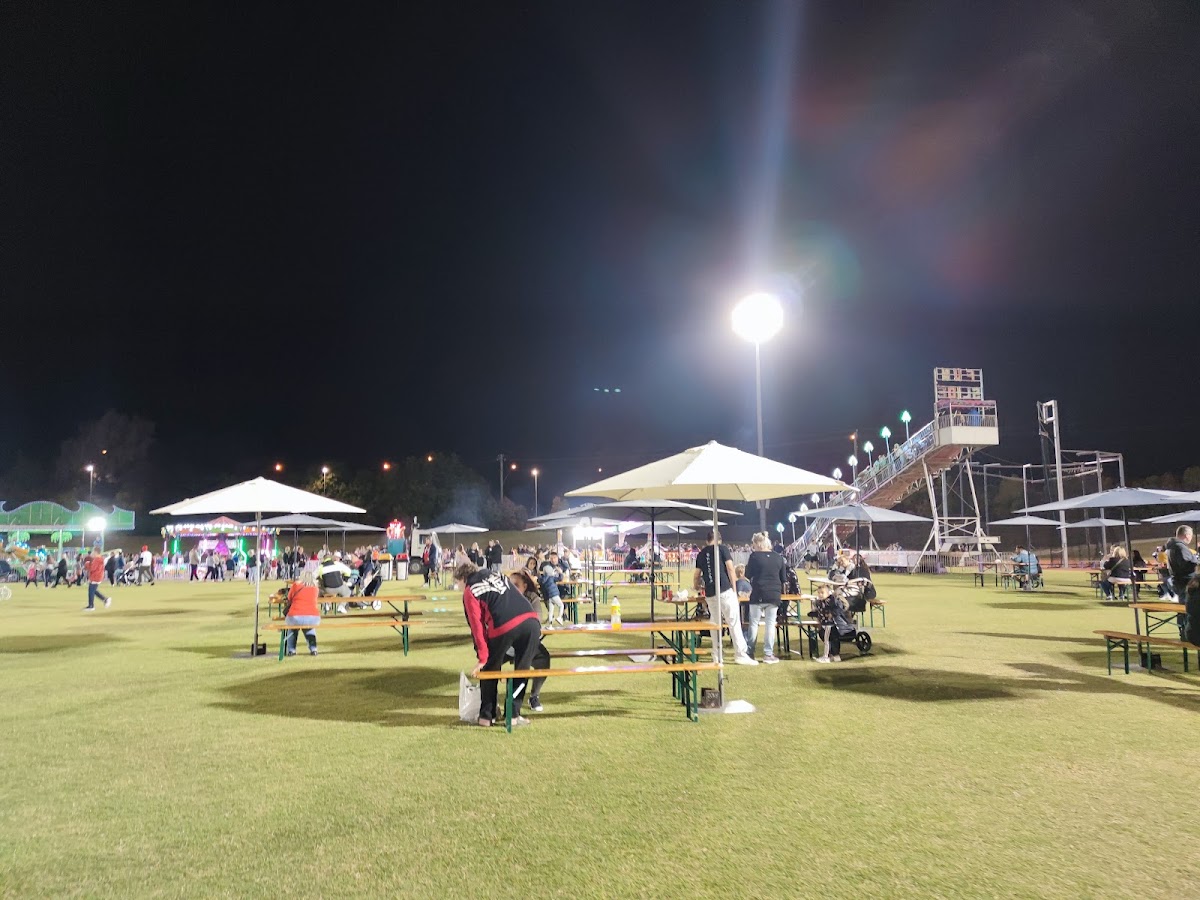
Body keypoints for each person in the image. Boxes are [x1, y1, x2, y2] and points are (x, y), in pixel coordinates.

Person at [455, 561, 541, 727]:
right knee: (522, 669)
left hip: (504, 625)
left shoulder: (470, 590)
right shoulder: (497, 574)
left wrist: (482, 658)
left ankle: (487, 717)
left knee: (490, 669)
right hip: (531, 620)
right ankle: (514, 715)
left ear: (462, 579)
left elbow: (477, 626)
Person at [694, 529, 756, 665]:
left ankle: (717, 655)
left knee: (715, 623)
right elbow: (730, 568)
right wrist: (734, 588)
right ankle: (740, 653)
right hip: (724, 590)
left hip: (710, 593)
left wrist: (697, 587)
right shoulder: (722, 549)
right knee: (733, 622)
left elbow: (697, 576)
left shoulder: (701, 553)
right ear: (720, 540)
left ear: (707, 540)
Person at [744, 532, 787, 664]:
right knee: (770, 624)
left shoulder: (755, 556)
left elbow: (748, 573)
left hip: (758, 593)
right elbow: (783, 578)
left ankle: (750, 652)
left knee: (754, 624)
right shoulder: (779, 558)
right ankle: (768, 654)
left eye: (753, 544)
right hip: (774, 593)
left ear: (758, 544)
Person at [282, 570, 321, 656]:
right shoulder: (315, 588)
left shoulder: (296, 585)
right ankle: (313, 649)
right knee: (310, 629)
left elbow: (289, 597)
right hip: (313, 616)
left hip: (295, 615)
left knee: (292, 629)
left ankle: (291, 650)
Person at [811, 584, 846, 663]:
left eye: (822, 593)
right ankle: (834, 656)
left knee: (827, 641)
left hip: (829, 624)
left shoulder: (831, 601)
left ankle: (826, 657)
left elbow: (838, 608)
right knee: (829, 639)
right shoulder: (820, 602)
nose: (820, 595)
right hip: (825, 624)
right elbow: (820, 612)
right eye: (819, 593)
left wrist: (832, 614)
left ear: (828, 593)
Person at [1165, 525, 1197, 600]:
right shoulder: (1180, 547)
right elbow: (1186, 565)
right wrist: (1197, 564)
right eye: (1191, 536)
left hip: (1179, 582)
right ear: (1187, 535)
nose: (1191, 539)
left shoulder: (1173, 546)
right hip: (1186, 582)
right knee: (1188, 607)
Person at [539, 553, 565, 626]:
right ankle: (559, 617)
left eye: (554, 558)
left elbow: (541, 580)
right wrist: (560, 573)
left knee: (551, 610)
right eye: (551, 558)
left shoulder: (544, 577)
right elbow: (559, 578)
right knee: (561, 605)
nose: (553, 560)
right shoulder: (551, 576)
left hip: (549, 595)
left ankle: (550, 625)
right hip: (554, 593)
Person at [82, 547, 111, 611]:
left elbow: (92, 568)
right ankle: (105, 599)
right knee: (93, 591)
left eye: (93, 551)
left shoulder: (97, 559)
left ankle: (91, 606)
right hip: (98, 576)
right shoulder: (99, 558)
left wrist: (87, 564)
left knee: (91, 591)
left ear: (95, 552)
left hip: (95, 576)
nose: (92, 553)